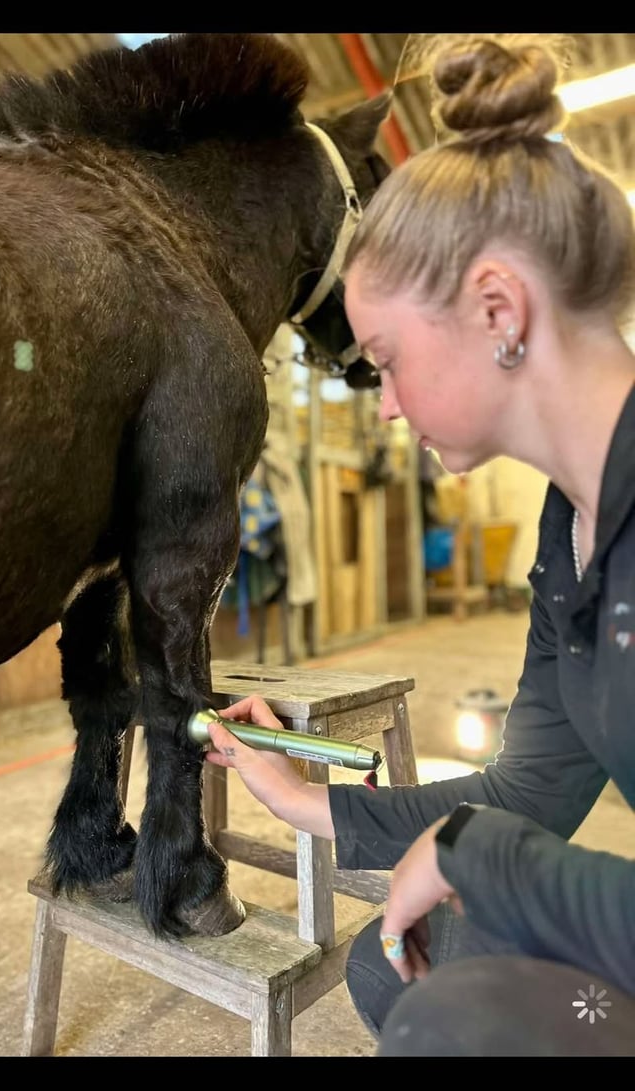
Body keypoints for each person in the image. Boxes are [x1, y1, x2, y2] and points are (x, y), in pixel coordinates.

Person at [204, 33, 635, 1056]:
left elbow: (500, 837)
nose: (386, 405)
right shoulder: (569, 527)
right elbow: (528, 790)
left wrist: (489, 857)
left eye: (389, 360)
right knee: (400, 950)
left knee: (453, 1012)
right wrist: (305, 798)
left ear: (497, 309)